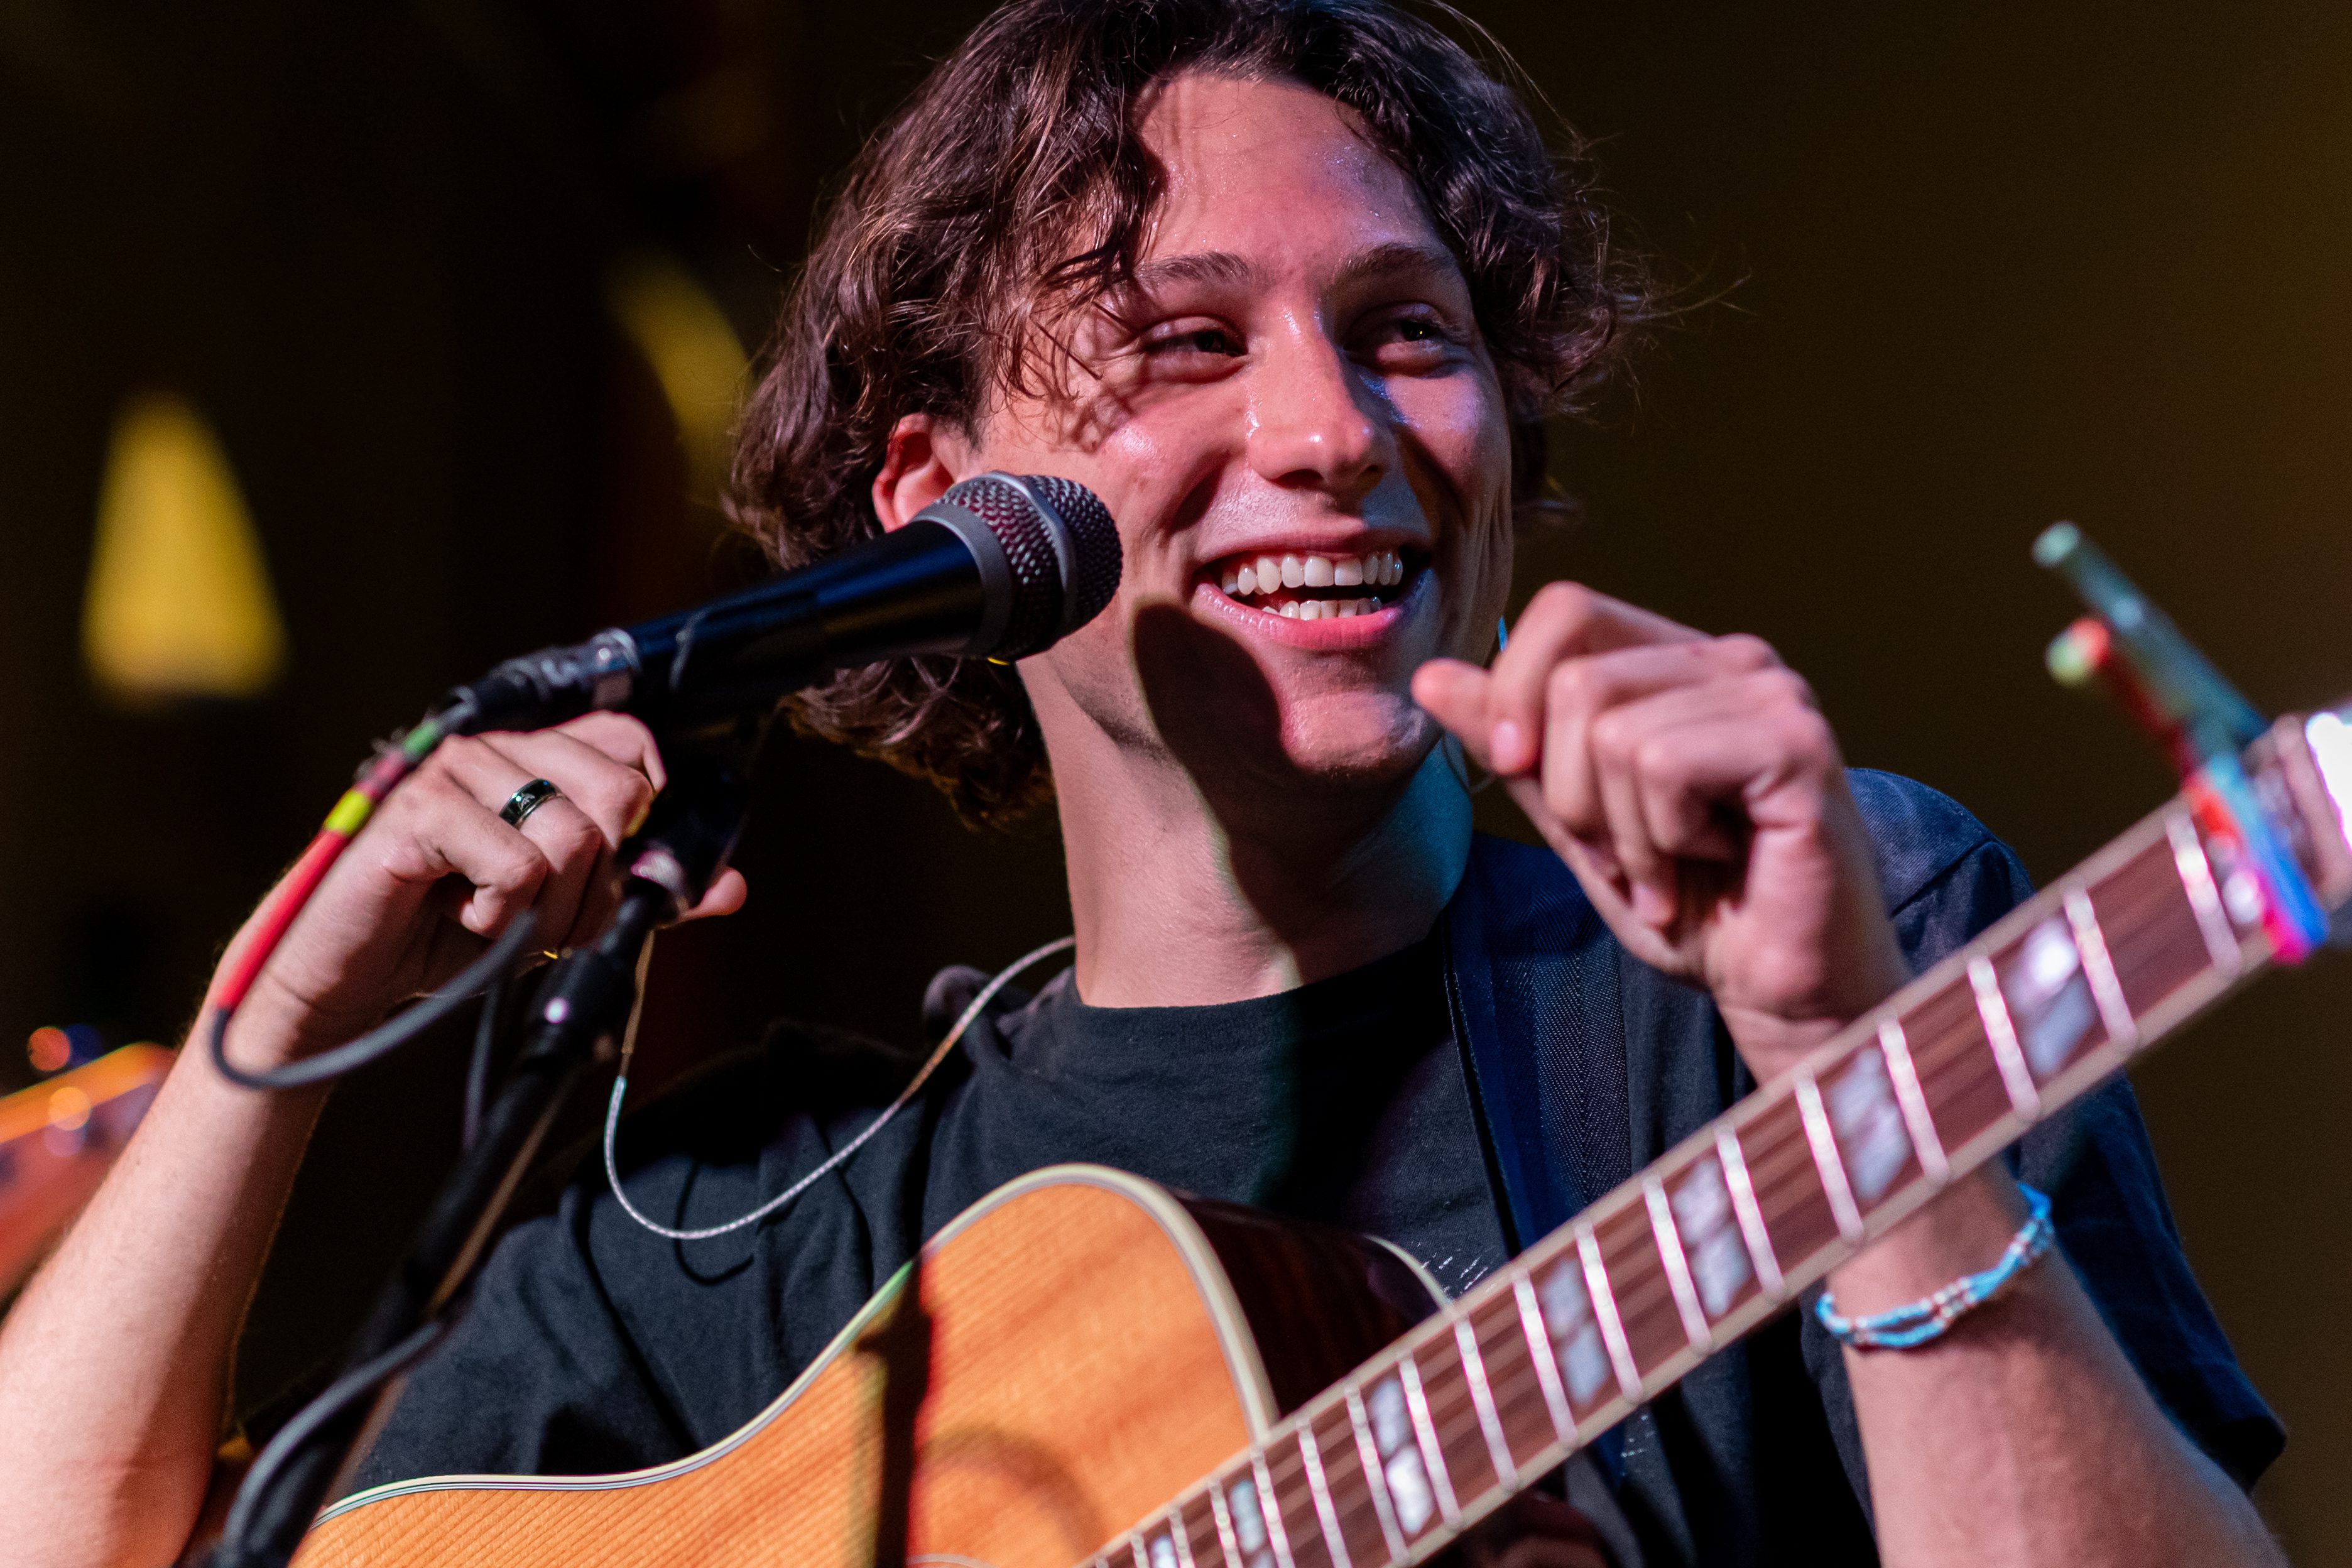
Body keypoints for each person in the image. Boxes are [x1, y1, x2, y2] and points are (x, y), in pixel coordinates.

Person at [0, 2, 2288, 1564]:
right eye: (1189, 342)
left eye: (1410, 332)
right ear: (936, 506)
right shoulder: (758, 1229)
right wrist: (270, 1035)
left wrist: (1843, 1080)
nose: (1330, 429)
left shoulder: (1806, 941)